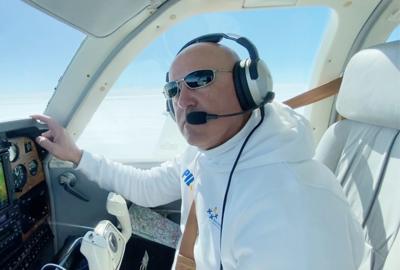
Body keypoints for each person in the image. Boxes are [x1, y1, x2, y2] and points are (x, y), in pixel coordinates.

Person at [32, 34, 364, 269]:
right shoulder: (206, 154)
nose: (182, 99)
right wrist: (76, 155)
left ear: (248, 87)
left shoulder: (292, 205)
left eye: (199, 79)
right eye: (173, 89)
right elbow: (147, 188)